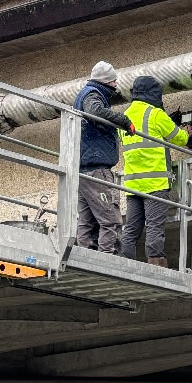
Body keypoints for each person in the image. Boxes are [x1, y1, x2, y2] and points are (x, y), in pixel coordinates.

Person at [119, 76, 188, 267]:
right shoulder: (156, 114)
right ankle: (156, 263)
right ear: (155, 93)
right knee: (154, 227)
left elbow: (145, 136)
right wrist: (184, 129)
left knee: (131, 228)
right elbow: (181, 139)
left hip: (133, 185)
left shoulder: (125, 115)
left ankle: (125, 263)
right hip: (155, 184)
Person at [73, 62, 135, 255]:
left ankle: (86, 255)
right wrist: (123, 121)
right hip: (96, 168)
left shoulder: (85, 94)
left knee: (87, 220)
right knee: (110, 218)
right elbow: (94, 111)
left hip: (82, 169)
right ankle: (109, 257)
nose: (116, 84)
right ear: (107, 81)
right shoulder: (93, 95)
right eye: (114, 80)